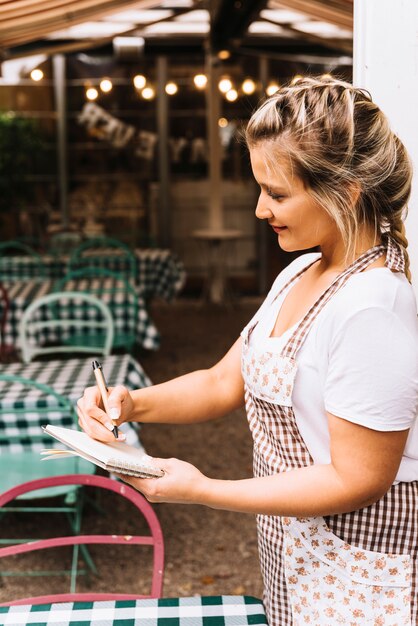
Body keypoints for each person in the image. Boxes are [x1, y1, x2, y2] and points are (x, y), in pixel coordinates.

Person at [77, 76, 418, 625]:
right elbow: (221, 382)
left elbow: (357, 479)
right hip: (297, 548)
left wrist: (204, 489)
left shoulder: (372, 306)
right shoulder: (300, 270)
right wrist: (132, 403)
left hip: (358, 567)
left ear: (347, 192)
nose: (261, 209)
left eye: (277, 193)